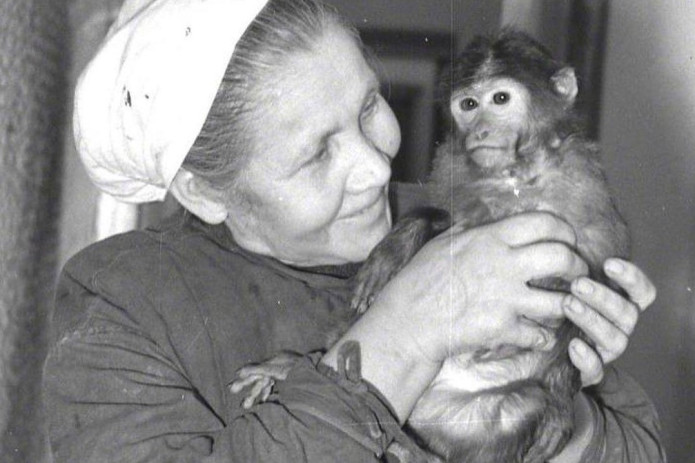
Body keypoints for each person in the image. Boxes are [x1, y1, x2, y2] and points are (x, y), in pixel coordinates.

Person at [43, 0, 666, 461]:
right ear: (205, 192)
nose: (377, 167)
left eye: (369, 107)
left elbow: (636, 444)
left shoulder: (467, 218)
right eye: (317, 153)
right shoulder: (126, 298)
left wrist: (561, 395)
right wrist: (405, 335)